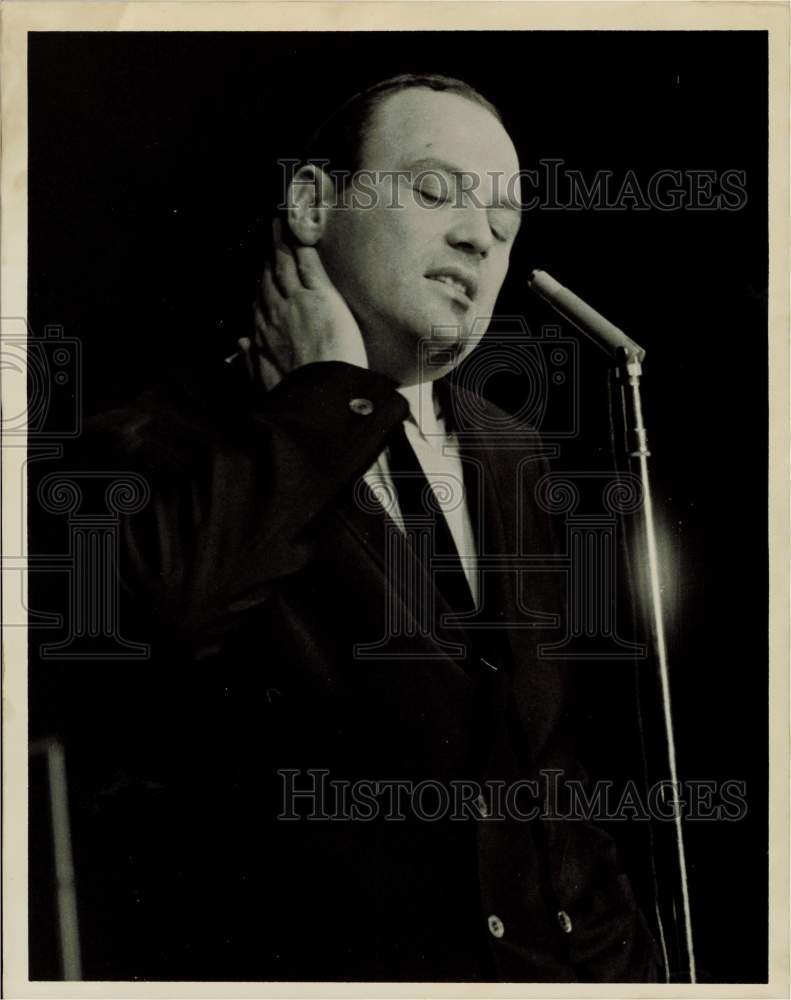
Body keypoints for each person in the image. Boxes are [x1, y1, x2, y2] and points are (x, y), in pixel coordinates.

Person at [67, 73, 661, 982]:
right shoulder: (155, 441)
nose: (476, 235)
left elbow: (554, 783)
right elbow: (160, 629)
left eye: (504, 228)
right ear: (311, 201)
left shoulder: (518, 459)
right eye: (433, 191)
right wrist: (322, 408)